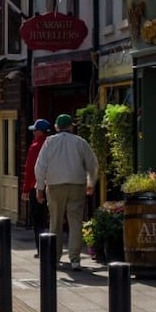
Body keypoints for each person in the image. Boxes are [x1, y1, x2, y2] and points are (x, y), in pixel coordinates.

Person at [35, 114, 98, 271]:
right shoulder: (80, 142)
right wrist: (91, 183)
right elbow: (92, 164)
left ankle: (55, 258)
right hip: (77, 184)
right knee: (75, 222)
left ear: (56, 127)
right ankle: (75, 259)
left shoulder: (49, 142)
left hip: (55, 185)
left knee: (55, 221)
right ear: (71, 126)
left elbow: (40, 166)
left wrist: (40, 189)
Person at [22, 119, 51, 258]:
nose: (33, 132)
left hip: (36, 187)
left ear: (39, 131)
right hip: (52, 186)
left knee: (38, 219)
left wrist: (25, 189)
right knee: (52, 218)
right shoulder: (52, 145)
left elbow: (29, 169)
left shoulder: (35, 146)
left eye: (35, 130)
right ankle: (52, 249)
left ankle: (41, 249)